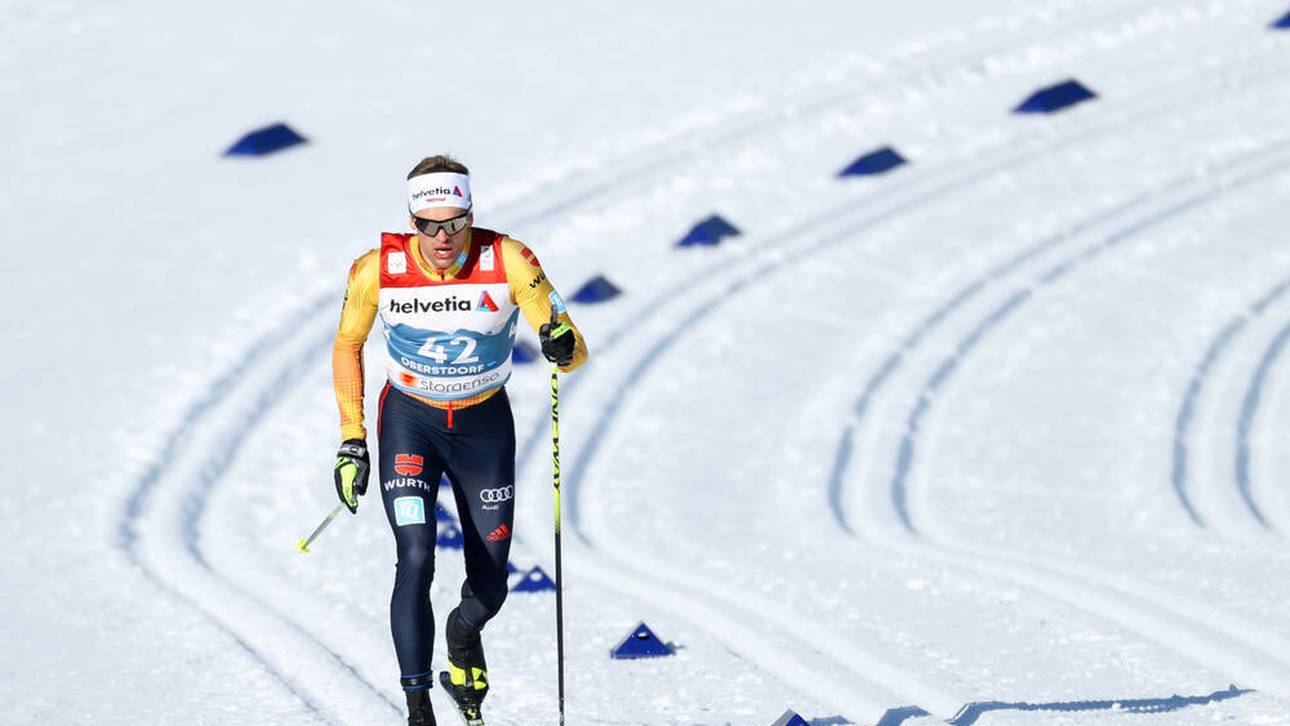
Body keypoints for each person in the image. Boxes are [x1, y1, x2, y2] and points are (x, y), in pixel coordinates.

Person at [330, 154, 588, 725]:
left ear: (472, 213)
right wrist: (352, 439)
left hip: (483, 428)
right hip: (410, 424)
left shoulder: (512, 260)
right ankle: (418, 708)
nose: (442, 239)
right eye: (428, 225)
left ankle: (462, 634)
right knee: (416, 555)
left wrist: (562, 346)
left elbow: (573, 347)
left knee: (491, 586)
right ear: (411, 220)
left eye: (454, 223)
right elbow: (347, 345)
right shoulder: (377, 269)